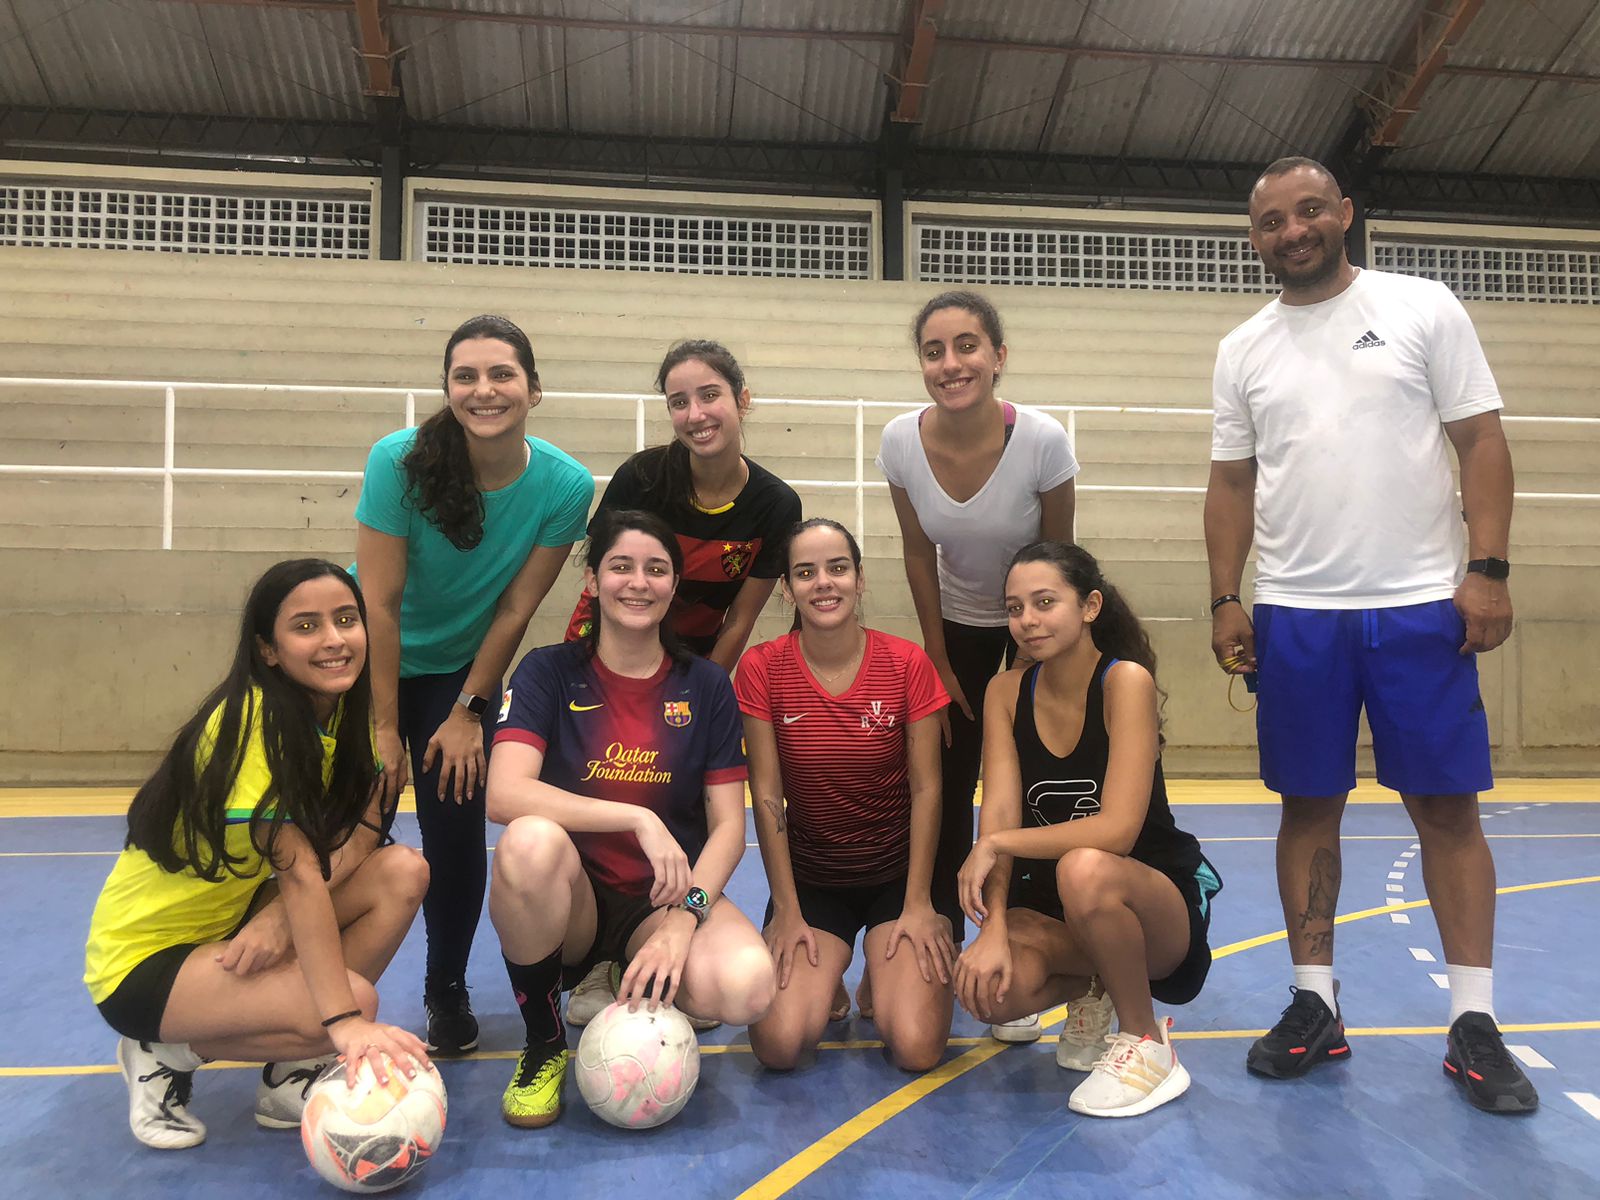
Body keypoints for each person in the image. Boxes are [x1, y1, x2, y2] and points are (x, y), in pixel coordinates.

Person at [1206, 156, 1535, 1113]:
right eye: (1271, 221)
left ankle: (1474, 1020)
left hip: (1422, 605)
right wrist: (1227, 596)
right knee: (1307, 808)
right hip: (1297, 614)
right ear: (1255, 237)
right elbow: (1232, 481)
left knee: (1446, 810)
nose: (1293, 230)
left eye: (1309, 211)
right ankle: (1316, 1003)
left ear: (1344, 213)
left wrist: (1489, 569)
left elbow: (1482, 439)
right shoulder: (1244, 347)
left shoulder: (1423, 306)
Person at [84, 559, 431, 1150]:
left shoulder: (347, 715)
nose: (333, 639)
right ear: (268, 650)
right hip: (146, 962)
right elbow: (300, 878)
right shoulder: (253, 721)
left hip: (232, 926)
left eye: (346, 620)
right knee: (353, 1003)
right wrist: (343, 1024)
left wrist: (274, 923)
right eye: (306, 626)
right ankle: (163, 1049)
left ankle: (289, 1073)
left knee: (403, 871)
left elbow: (367, 831)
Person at [486, 509, 776, 1128]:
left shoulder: (705, 686)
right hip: (576, 902)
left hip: (662, 899)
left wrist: (685, 917)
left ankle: (636, 968)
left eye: (656, 569)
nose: (637, 582)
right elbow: (504, 793)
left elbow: (729, 827)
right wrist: (636, 816)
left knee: (747, 987)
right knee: (528, 843)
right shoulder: (547, 671)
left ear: (674, 586)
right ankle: (543, 1044)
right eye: (620, 566)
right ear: (591, 578)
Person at [355, 314, 594, 1056]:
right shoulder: (398, 462)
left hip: (462, 671)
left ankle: (445, 989)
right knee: (342, 834)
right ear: (448, 388)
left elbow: (518, 607)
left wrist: (468, 709)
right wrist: (383, 728)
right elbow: (381, 607)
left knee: (455, 835)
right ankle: (315, 997)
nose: (484, 390)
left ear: (533, 389)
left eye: (501, 375)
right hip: (371, 665)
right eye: (466, 376)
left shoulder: (565, 484)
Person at [560, 339, 800, 1025]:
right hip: (607, 660)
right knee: (602, 793)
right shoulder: (642, 478)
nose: (695, 413)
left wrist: (697, 699)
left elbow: (740, 618)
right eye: (678, 401)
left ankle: (680, 936)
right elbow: (607, 583)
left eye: (710, 395)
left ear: (742, 400)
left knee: (684, 810)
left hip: (692, 670)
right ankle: (596, 963)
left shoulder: (775, 505)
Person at [953, 542, 1222, 1118]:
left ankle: (1148, 1044)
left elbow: (1119, 831)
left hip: (1152, 904)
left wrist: (994, 843)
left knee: (1085, 865)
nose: (1027, 620)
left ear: (1090, 606)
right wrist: (993, 927)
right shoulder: (1005, 692)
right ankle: (1096, 985)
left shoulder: (1125, 682)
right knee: (994, 991)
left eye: (1045, 602)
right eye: (1014, 607)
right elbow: (998, 812)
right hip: (1058, 903)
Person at [877, 290, 1078, 1041]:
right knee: (949, 781)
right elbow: (914, 549)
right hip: (955, 625)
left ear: (998, 357)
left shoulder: (1044, 441)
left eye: (967, 346)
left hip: (1036, 623)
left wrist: (1037, 649)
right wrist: (937, 654)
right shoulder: (900, 442)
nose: (951, 363)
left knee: (1029, 785)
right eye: (934, 350)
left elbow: (1061, 559)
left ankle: (1023, 947)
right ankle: (943, 945)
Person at [736, 518, 954, 1071]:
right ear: (787, 588)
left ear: (859, 579)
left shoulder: (906, 664)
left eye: (837, 568)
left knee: (915, 1047)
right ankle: (827, 978)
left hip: (899, 878)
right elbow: (766, 792)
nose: (823, 583)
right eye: (805, 572)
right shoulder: (762, 668)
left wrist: (920, 902)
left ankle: (883, 978)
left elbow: (929, 788)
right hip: (814, 882)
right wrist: (786, 911)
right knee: (781, 1046)